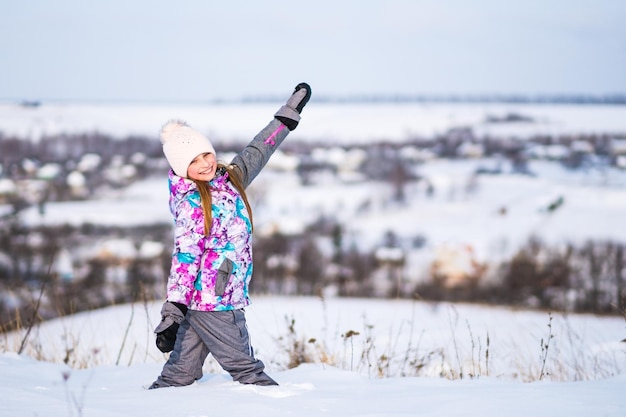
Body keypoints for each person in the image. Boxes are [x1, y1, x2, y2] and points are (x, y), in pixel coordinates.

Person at [149, 82, 311, 389]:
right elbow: (185, 257)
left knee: (178, 375)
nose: (204, 163)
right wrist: (172, 311)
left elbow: (258, 151)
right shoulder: (191, 204)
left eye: (205, 154)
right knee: (248, 371)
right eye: (193, 161)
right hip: (215, 301)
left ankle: (147, 406)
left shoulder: (229, 179)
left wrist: (285, 119)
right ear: (181, 168)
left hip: (203, 302)